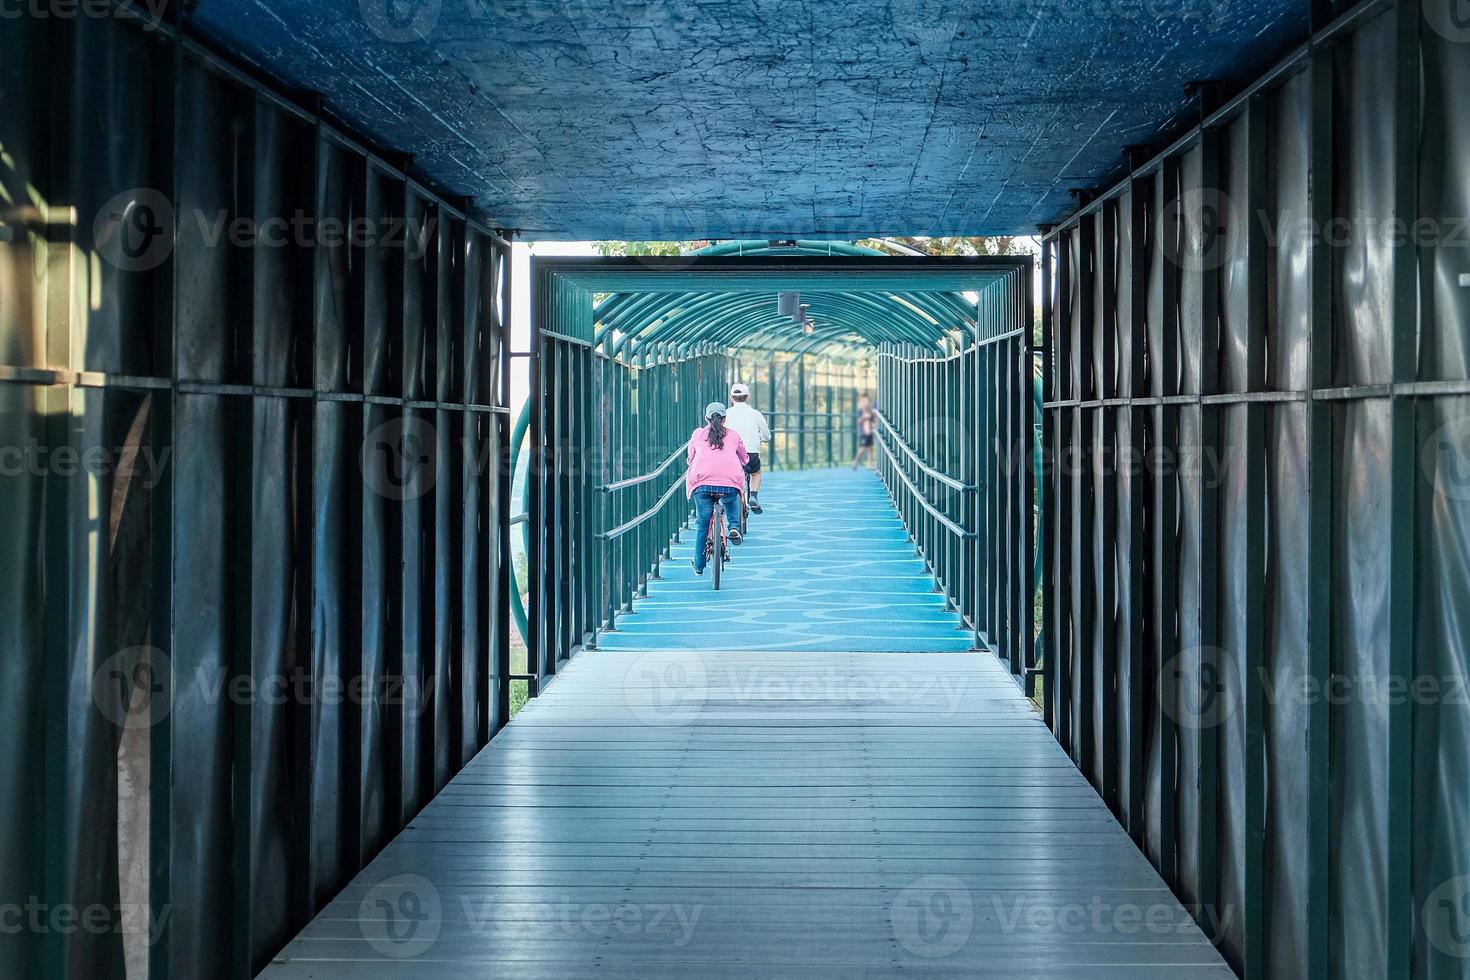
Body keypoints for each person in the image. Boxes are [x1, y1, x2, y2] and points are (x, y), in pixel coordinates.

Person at [686, 401, 748, 575]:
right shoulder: (734, 435)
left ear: (706, 418)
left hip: (701, 483)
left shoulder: (698, 434)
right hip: (728, 482)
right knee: (732, 496)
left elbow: (690, 457)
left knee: (702, 524)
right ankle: (734, 526)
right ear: (724, 418)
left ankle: (699, 565)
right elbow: (744, 457)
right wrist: (746, 462)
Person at [724, 382, 771, 513]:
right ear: (747, 397)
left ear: (731, 397)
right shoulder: (755, 414)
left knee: (728, 474)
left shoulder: (726, 414)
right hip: (751, 453)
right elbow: (767, 436)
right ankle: (753, 496)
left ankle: (726, 501)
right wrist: (760, 437)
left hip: (732, 453)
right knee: (755, 474)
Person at [852, 393, 876, 469]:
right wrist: (864, 417)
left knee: (870, 448)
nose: (865, 402)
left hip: (870, 432)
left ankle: (869, 464)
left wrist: (873, 425)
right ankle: (856, 461)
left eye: (867, 400)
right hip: (863, 433)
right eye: (864, 400)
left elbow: (873, 420)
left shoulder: (870, 410)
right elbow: (858, 421)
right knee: (862, 448)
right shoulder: (860, 410)